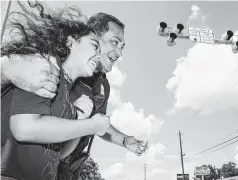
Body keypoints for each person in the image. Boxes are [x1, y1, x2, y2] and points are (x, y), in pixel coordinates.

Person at [1, 1, 110, 180]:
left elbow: (60, 154)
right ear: (70, 42)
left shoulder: (70, 93)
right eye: (94, 46)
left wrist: (80, 119)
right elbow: (24, 128)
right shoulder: (45, 66)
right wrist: (91, 125)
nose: (98, 55)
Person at [57, 13, 149, 179]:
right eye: (114, 42)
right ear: (92, 36)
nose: (119, 52)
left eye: (122, 46)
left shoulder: (103, 84)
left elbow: (98, 123)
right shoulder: (64, 62)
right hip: (43, 160)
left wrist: (124, 140)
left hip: (70, 168)